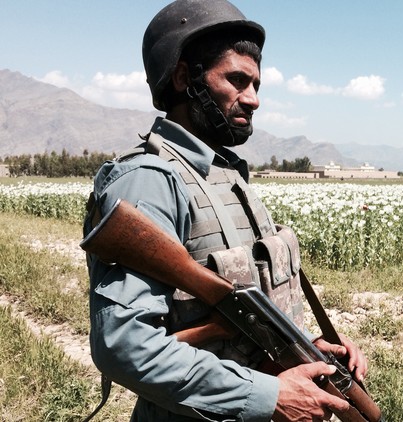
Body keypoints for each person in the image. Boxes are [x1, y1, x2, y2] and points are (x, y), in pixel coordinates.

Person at [82, 1, 367, 420]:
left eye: (256, 85)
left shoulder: (229, 177)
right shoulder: (151, 180)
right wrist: (268, 396)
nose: (252, 100)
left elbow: (251, 312)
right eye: (236, 80)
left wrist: (304, 349)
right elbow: (123, 343)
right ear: (184, 78)